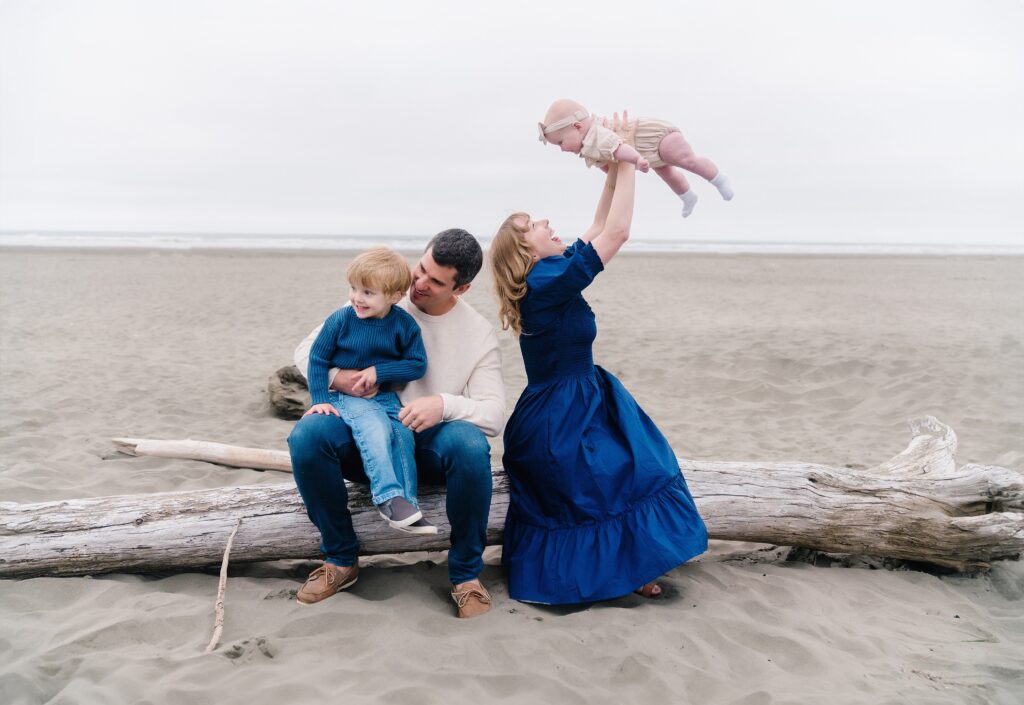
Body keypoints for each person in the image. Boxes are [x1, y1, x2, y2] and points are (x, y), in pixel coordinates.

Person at [491, 112, 708, 605]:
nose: (547, 223)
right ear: (524, 250)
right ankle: (616, 570)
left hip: (580, 397)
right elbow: (617, 234)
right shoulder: (543, 284)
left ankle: (628, 564)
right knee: (610, 477)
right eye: (535, 225)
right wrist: (629, 161)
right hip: (558, 416)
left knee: (639, 464)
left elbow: (595, 226)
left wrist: (614, 155)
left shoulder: (552, 271)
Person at [288, 229, 505, 618]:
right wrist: (342, 380)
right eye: (421, 268)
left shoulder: (478, 334)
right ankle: (340, 560)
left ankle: (466, 577)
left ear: (463, 288)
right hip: (363, 433)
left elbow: (493, 413)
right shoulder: (384, 294)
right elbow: (306, 352)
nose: (418, 284)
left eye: (436, 281)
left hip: (428, 445)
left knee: (471, 445)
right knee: (307, 435)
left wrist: (442, 404)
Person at [304, 246, 434, 536]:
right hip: (347, 397)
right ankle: (387, 497)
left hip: (385, 396)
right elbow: (317, 359)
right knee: (375, 429)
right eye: (354, 288)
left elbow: (416, 364)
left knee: (402, 434)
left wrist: (380, 372)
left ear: (394, 296)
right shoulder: (341, 320)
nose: (356, 298)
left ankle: (407, 504)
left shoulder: (403, 324)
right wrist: (320, 400)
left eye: (367, 292)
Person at [538, 98, 734, 218]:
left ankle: (718, 178)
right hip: (647, 152)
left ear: (577, 127)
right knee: (668, 174)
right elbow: (609, 166)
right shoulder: (587, 146)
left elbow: (620, 147)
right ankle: (688, 197)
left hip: (656, 136)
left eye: (561, 143)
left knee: (688, 160)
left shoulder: (597, 135)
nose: (562, 150)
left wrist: (637, 160)